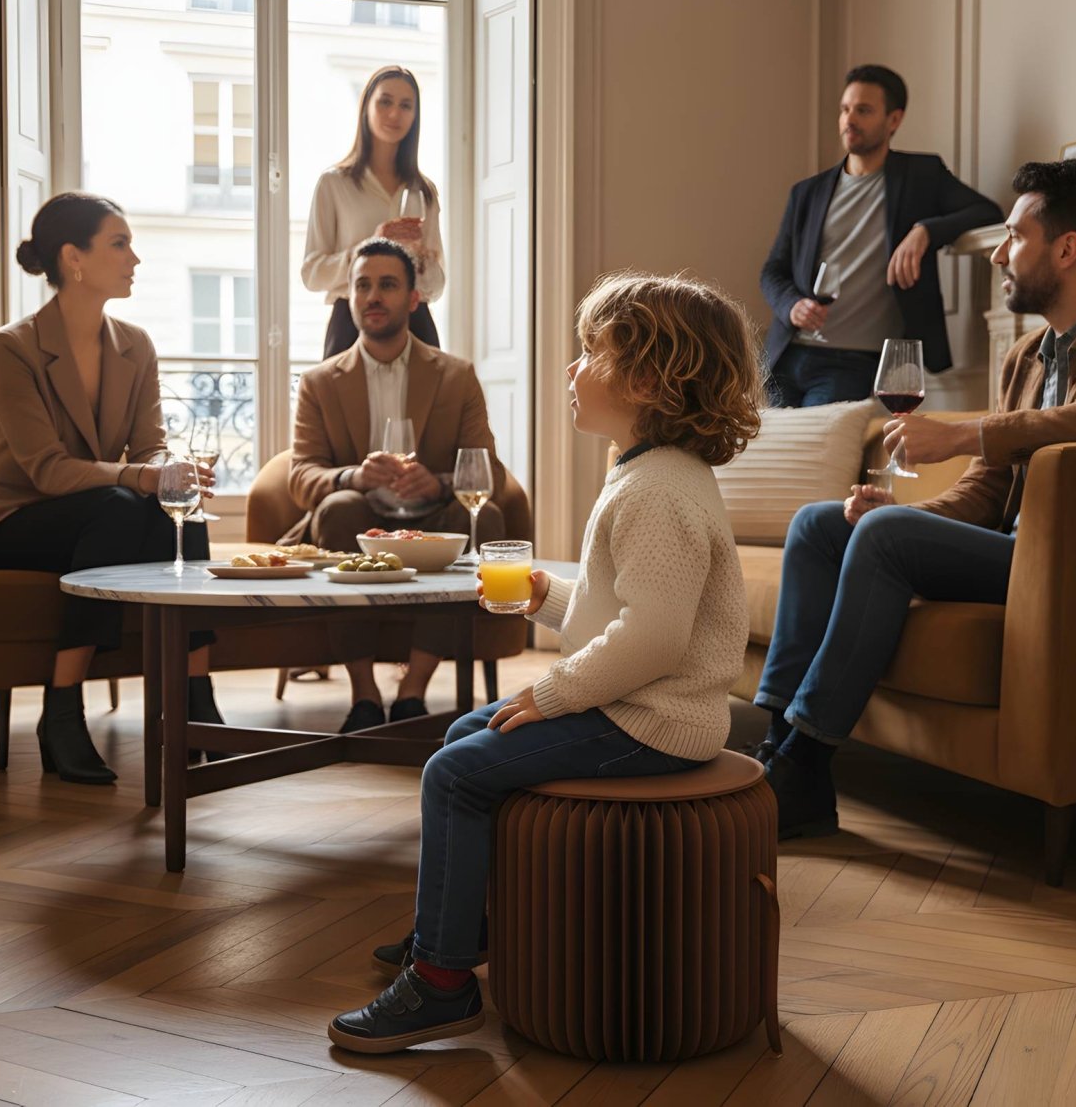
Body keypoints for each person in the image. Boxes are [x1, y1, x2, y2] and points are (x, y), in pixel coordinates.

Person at [325, 270, 763, 1054]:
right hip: (645, 704)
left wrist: (555, 691)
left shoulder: (657, 489)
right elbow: (623, 608)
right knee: (465, 732)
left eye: (591, 351)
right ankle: (455, 923)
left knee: (452, 772)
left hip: (654, 721)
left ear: (649, 379)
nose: (571, 368)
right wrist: (548, 596)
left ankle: (443, 982)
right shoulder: (648, 473)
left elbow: (655, 640)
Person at [752, 159, 1076, 838]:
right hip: (1010, 554)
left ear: (1068, 248)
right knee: (820, 525)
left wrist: (968, 432)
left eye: (1014, 236)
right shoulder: (1027, 356)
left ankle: (802, 759)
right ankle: (782, 755)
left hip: (1072, 567)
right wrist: (899, 514)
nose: (998, 254)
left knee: (882, 538)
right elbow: (987, 490)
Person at [0, 192, 229, 784]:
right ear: (73, 258)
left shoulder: (135, 344)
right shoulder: (12, 347)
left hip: (99, 514)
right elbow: (47, 471)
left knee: (182, 512)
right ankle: (62, 712)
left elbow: (149, 443)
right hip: (9, 523)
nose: (135, 258)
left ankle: (195, 701)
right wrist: (142, 476)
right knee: (122, 504)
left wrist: (168, 474)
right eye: (120, 244)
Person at [289, 237, 503, 732]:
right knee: (340, 506)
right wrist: (354, 477)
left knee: (482, 515)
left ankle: (412, 693)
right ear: (349, 296)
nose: (372, 297)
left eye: (387, 285)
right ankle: (364, 696)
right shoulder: (320, 381)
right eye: (362, 286)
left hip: (431, 517)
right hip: (356, 520)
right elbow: (301, 476)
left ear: (413, 298)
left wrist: (440, 483)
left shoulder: (456, 375)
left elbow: (488, 468)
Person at [760, 64, 1002, 407]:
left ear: (894, 119)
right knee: (776, 459)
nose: (849, 119)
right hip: (786, 356)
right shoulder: (807, 193)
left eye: (863, 110)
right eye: (845, 109)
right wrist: (792, 305)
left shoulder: (922, 175)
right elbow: (773, 270)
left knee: (822, 459)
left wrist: (925, 231)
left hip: (852, 363)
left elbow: (987, 212)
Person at [301, 65, 445, 359]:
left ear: (415, 116)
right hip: (351, 324)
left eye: (406, 105)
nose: (395, 114)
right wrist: (370, 247)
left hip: (415, 323)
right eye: (385, 101)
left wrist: (419, 259)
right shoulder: (333, 184)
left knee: (428, 405)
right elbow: (311, 274)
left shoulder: (424, 190)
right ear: (366, 105)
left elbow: (437, 285)